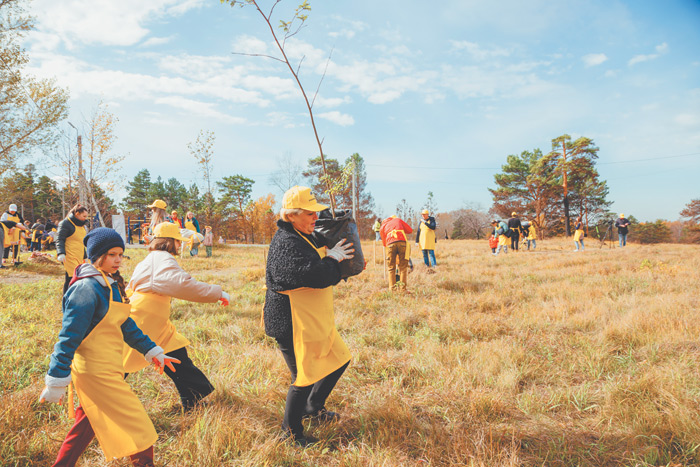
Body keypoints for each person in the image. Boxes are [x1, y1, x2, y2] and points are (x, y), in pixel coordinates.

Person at [39, 227, 179, 467]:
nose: (118, 260)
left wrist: (152, 351)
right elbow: (68, 338)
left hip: (109, 367)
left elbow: (127, 326)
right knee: (140, 426)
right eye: (112, 254)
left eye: (120, 255)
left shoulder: (109, 283)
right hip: (95, 372)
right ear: (96, 255)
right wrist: (56, 378)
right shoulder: (86, 288)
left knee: (87, 422)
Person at [263, 185, 355, 447]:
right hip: (292, 322)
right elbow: (313, 276)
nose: (316, 218)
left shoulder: (304, 235)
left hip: (312, 320)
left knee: (339, 359)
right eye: (309, 214)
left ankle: (314, 407)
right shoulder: (286, 242)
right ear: (291, 215)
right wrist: (333, 261)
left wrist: (344, 256)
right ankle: (291, 433)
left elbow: (322, 259)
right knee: (304, 377)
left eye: (315, 213)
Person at [122, 222, 230, 411]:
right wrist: (217, 293)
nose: (180, 246)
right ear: (169, 242)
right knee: (122, 363)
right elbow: (183, 285)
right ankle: (104, 398)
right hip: (145, 319)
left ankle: (193, 399)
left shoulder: (151, 258)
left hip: (152, 317)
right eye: (178, 242)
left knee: (176, 353)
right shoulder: (162, 259)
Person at [57, 205, 89, 294]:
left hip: (78, 256)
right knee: (74, 277)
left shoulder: (81, 225)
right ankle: (71, 298)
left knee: (70, 278)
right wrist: (61, 253)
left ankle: (67, 297)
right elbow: (60, 239)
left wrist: (85, 257)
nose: (85, 219)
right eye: (84, 216)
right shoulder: (65, 223)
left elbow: (80, 243)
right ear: (77, 214)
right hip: (69, 255)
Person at [380, 215, 413, 291]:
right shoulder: (398, 220)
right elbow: (410, 230)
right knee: (403, 267)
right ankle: (403, 289)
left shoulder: (383, 225)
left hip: (390, 244)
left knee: (391, 267)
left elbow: (384, 242)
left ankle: (392, 289)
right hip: (402, 243)